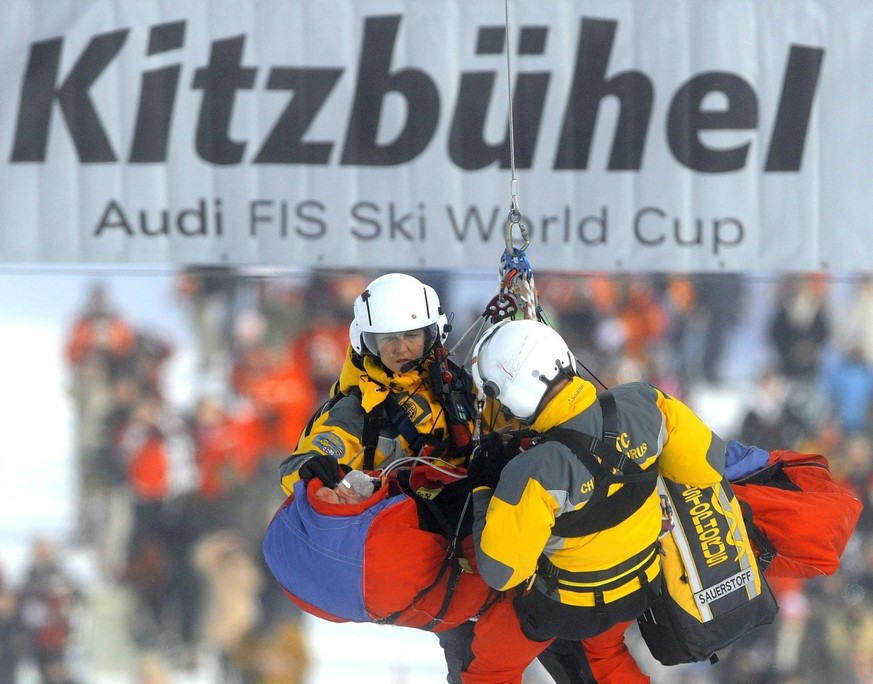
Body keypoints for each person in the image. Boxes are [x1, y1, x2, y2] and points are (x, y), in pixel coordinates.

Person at [461, 319, 727, 684]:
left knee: (487, 670)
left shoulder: (531, 471)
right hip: (641, 586)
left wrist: (482, 487)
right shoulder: (645, 402)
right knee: (605, 655)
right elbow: (708, 466)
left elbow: (501, 572)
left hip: (564, 609)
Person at [277, 272, 480, 683]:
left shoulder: (457, 383)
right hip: (418, 542)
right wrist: (314, 468)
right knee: (475, 655)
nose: (400, 348)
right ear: (366, 343)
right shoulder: (359, 407)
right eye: (387, 339)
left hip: (472, 523)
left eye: (411, 335)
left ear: (432, 333)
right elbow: (306, 460)